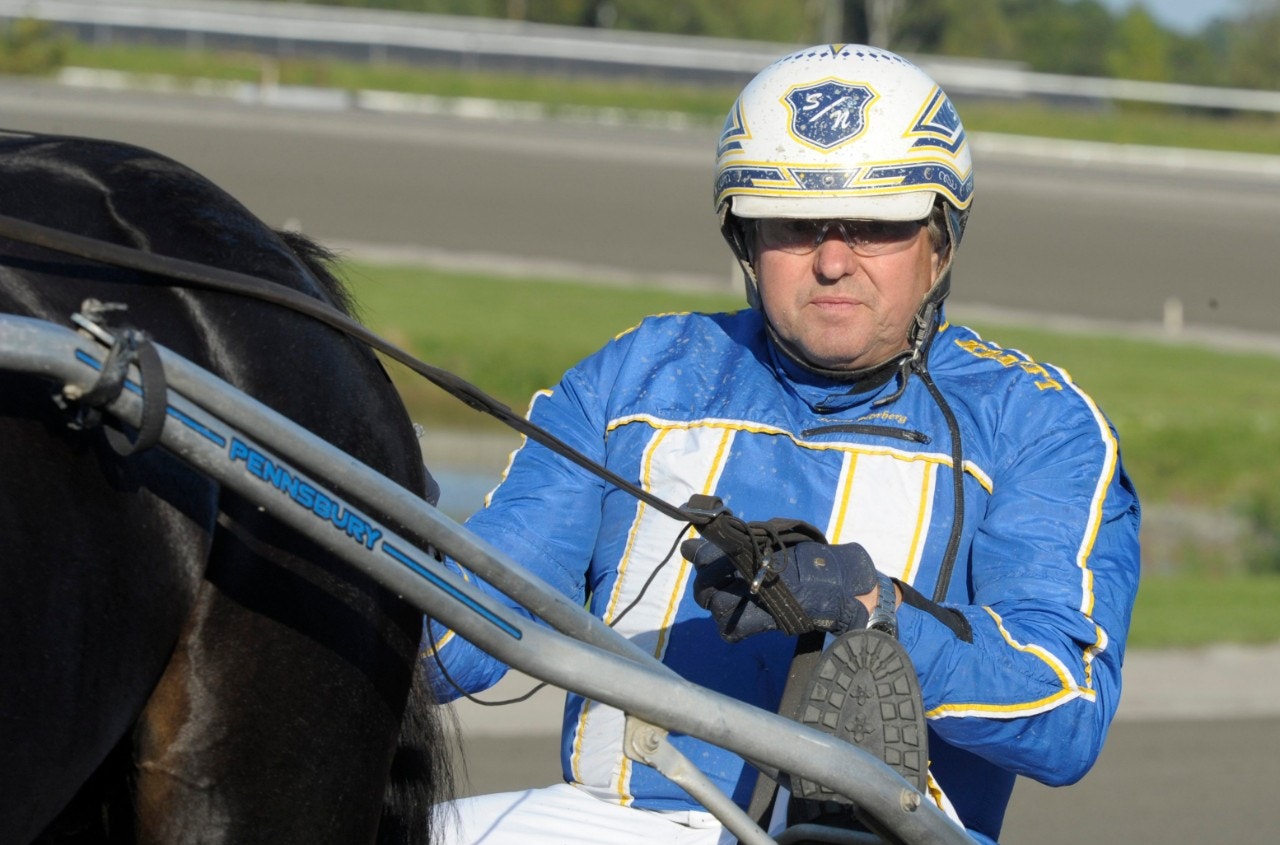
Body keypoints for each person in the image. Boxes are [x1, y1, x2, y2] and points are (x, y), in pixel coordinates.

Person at [424, 43, 1141, 845]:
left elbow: (1066, 719)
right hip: (611, 822)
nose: (833, 261)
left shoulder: (1039, 425)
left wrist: (874, 608)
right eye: (796, 227)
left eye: (875, 227)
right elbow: (462, 627)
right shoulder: (635, 378)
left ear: (939, 242)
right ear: (746, 238)